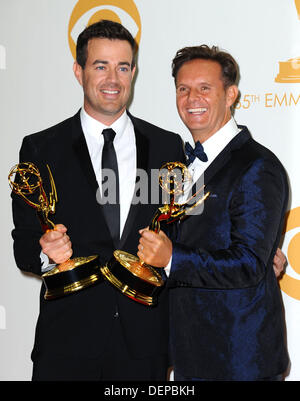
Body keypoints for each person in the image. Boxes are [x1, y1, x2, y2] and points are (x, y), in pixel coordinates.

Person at [11, 20, 185, 381]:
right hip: (66, 345)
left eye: (122, 67)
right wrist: (45, 252)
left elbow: (181, 236)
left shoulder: (168, 148)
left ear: (134, 72)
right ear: (79, 71)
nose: (113, 79)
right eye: (100, 66)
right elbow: (23, 244)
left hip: (144, 346)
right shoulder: (41, 148)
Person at [138, 45, 289, 381]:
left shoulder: (257, 167)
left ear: (231, 94)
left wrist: (172, 257)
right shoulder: (175, 165)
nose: (193, 98)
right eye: (183, 89)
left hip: (240, 360)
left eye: (205, 88)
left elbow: (249, 263)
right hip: (188, 354)